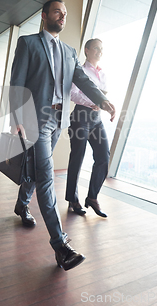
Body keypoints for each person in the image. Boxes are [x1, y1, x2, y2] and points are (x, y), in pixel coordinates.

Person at [9, 0, 116, 271]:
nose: (63, 16)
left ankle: (22, 205)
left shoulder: (69, 52)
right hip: (35, 119)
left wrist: (102, 100)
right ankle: (61, 246)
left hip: (59, 120)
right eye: (58, 11)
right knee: (46, 176)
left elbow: (82, 80)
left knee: (35, 170)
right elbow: (17, 82)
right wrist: (17, 118)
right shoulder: (28, 43)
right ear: (45, 16)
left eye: (65, 13)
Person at [66, 38, 110, 218]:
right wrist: (93, 101)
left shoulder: (103, 74)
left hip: (96, 119)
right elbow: (73, 93)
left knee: (103, 156)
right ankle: (72, 199)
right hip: (80, 118)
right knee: (77, 158)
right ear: (87, 50)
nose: (100, 52)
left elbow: (104, 93)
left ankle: (92, 197)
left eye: (102, 49)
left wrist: (100, 102)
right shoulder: (80, 71)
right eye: (96, 48)